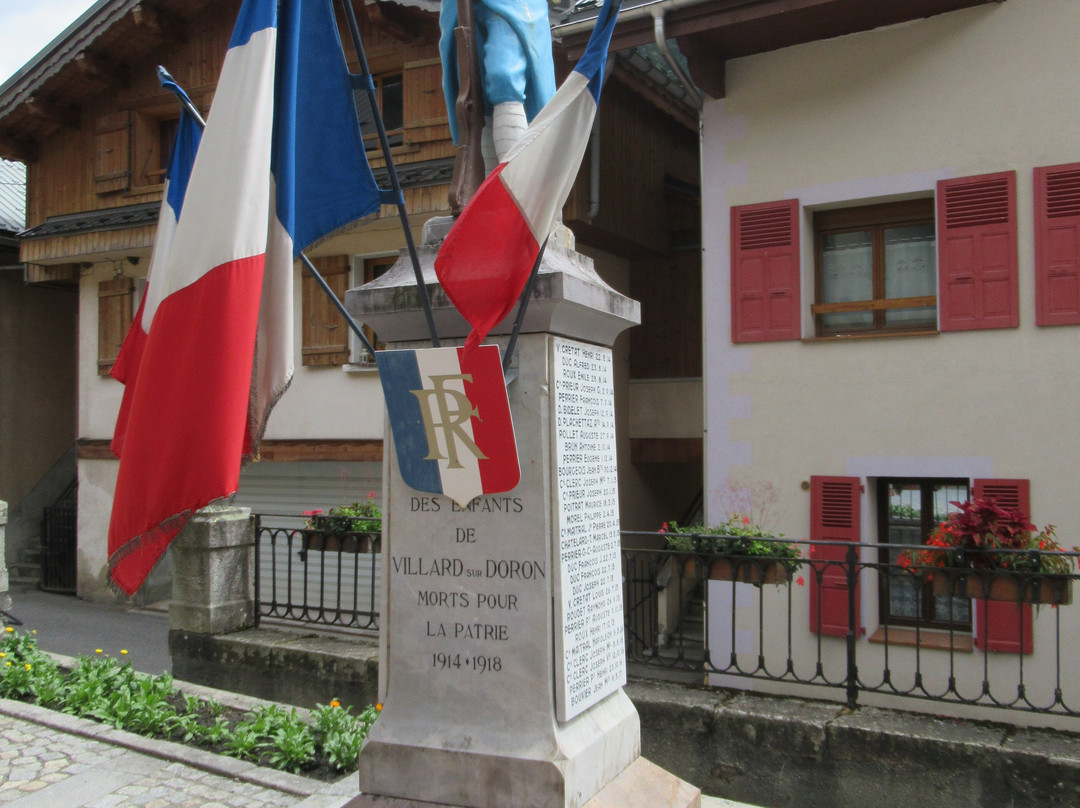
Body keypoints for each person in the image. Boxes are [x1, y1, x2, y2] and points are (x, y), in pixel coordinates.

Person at [440, 0, 557, 171]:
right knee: (477, 94)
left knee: (503, 74)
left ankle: (516, 178)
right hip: (460, 7)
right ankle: (494, 185)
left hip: (513, 4)